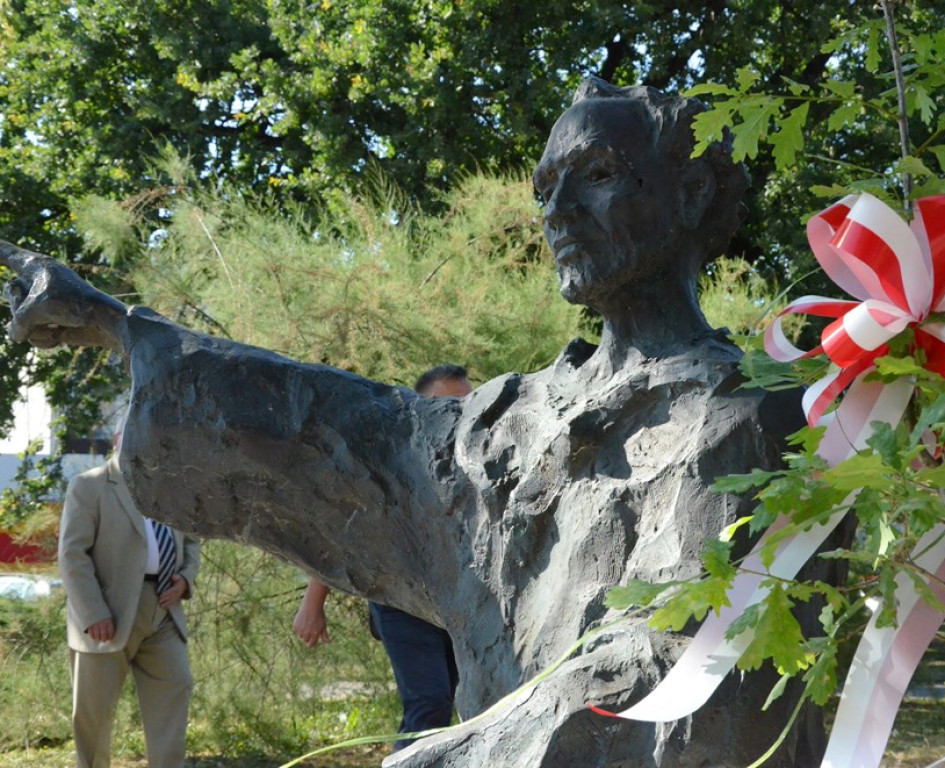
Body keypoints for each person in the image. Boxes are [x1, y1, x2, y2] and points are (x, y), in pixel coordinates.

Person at [2, 78, 823, 766]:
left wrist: (468, 752)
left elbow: (696, 672)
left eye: (599, 174)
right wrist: (118, 326)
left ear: (692, 193)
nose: (560, 210)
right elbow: (325, 425)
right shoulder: (512, 418)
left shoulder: (750, 412)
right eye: (545, 191)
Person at [294, 364, 469, 751]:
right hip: (399, 599)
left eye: (466, 403)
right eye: (446, 404)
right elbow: (345, 529)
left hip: (455, 601)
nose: (457, 413)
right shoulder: (391, 456)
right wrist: (312, 604)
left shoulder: (476, 460)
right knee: (429, 702)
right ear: (418, 406)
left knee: (460, 706)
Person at [58, 424, 201, 768]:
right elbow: (72, 555)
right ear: (118, 441)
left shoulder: (174, 489)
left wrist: (185, 578)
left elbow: (193, 541)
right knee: (94, 717)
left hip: (165, 611)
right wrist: (94, 614)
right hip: (108, 613)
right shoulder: (90, 485)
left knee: (175, 691)